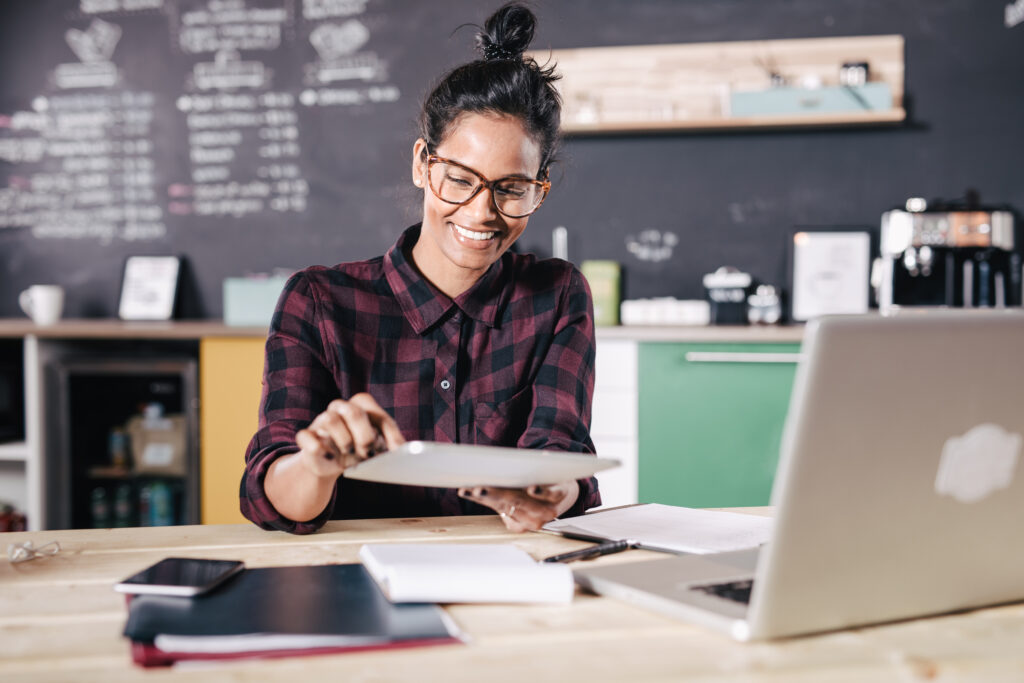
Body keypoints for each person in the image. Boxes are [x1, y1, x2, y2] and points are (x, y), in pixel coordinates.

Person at [241, 2, 601, 535]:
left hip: (504, 573)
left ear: (539, 188)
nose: (482, 212)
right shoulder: (318, 302)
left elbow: (562, 451)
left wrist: (553, 489)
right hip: (355, 579)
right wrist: (316, 464)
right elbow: (271, 494)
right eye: (459, 179)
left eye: (512, 189)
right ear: (421, 164)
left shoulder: (557, 295)